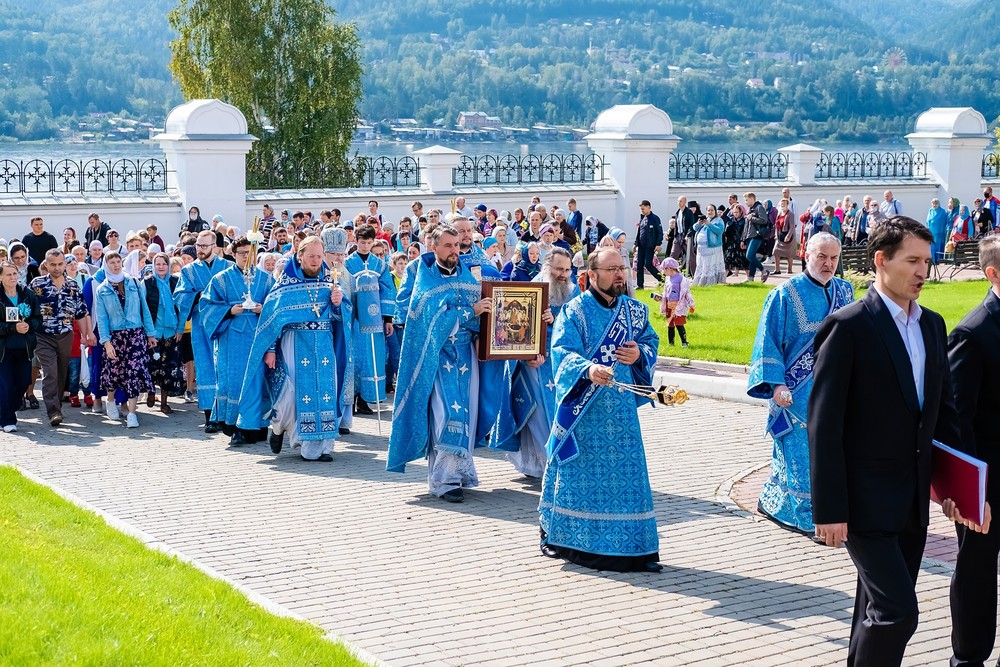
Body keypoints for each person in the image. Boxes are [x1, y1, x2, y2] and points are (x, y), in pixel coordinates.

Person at [808, 216, 972, 666]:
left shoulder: (933, 326)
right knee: (898, 613)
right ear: (881, 261)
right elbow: (824, 424)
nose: (923, 271)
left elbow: (943, 419)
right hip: (862, 506)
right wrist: (830, 509)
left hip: (912, 505)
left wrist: (957, 492)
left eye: (928, 260)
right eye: (913, 261)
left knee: (875, 611)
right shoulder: (850, 327)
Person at [538, 247, 661, 572]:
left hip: (622, 416)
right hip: (584, 413)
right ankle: (566, 540)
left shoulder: (635, 311)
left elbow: (650, 341)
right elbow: (561, 351)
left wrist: (641, 354)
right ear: (592, 275)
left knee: (627, 477)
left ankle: (638, 549)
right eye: (611, 269)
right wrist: (588, 369)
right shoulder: (575, 311)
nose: (619, 274)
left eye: (622, 268)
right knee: (581, 478)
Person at [747, 232, 853, 534]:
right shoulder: (784, 294)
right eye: (821, 256)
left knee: (831, 453)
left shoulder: (845, 291)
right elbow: (768, 343)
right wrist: (777, 385)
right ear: (806, 254)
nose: (828, 263)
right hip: (796, 393)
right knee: (799, 454)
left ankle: (774, 503)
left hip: (835, 391)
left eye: (834, 258)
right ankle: (808, 515)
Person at [387, 226, 494, 502]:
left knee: (465, 415)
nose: (454, 251)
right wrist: (470, 311)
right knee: (447, 415)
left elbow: (482, 317)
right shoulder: (426, 282)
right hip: (436, 357)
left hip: (465, 357)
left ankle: (458, 475)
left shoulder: (469, 279)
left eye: (457, 245)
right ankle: (443, 481)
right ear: (434, 248)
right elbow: (428, 323)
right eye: (448, 246)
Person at [238, 236, 349, 461]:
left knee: (324, 393)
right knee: (292, 396)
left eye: (319, 256)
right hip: (294, 343)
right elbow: (271, 319)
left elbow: (340, 317)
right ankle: (279, 428)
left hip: (324, 345)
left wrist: (339, 304)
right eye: (311, 256)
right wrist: (269, 349)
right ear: (300, 256)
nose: (316, 261)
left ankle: (320, 446)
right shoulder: (286, 284)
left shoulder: (331, 281)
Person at [945, 234, 1000, 667]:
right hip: (989, 487)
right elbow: (959, 420)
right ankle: (968, 659)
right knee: (977, 575)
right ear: (993, 273)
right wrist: (970, 493)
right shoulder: (972, 331)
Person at [490, 248, 578, 478]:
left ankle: (547, 465)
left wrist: (557, 319)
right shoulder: (531, 290)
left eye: (568, 269)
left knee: (559, 412)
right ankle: (548, 464)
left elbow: (581, 326)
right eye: (559, 269)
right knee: (539, 413)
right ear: (547, 267)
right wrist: (526, 356)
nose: (564, 274)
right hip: (535, 363)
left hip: (563, 362)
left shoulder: (573, 289)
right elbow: (513, 328)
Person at [201, 236, 273, 444]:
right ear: (233, 254)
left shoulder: (266, 279)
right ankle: (236, 427)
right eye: (242, 253)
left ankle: (258, 424)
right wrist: (229, 310)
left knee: (257, 381)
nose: (246, 257)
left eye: (250, 253)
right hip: (231, 338)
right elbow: (206, 306)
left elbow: (276, 305)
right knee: (233, 382)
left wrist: (263, 309)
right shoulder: (221, 279)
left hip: (258, 338)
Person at [173, 229, 233, 432]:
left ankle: (227, 415)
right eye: (198, 245)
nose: (200, 249)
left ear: (215, 247)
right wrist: (200, 296)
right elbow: (180, 296)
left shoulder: (229, 267)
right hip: (201, 326)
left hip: (225, 325)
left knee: (224, 368)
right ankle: (210, 417)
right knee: (206, 368)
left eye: (204, 246)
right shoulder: (188, 271)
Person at [30, 249, 96, 426]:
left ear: (65, 264)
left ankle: (56, 405)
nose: (57, 267)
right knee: (50, 372)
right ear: (46, 264)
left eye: (60, 264)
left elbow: (81, 313)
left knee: (60, 373)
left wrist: (86, 335)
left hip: (66, 335)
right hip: (43, 335)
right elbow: (26, 309)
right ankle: (53, 411)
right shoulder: (37, 285)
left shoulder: (73, 285)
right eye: (53, 264)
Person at [93, 251, 156, 428]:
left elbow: (145, 309)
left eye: (118, 261)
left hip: (135, 334)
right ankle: (111, 401)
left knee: (134, 372)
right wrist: (106, 342)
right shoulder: (102, 289)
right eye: (111, 262)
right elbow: (102, 318)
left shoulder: (133, 283)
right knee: (115, 372)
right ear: (106, 265)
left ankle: (132, 414)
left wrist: (150, 334)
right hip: (115, 336)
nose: (115, 265)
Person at [344, 224, 396, 414]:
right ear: (355, 241)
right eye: (362, 242)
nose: (365, 246)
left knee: (371, 357)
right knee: (354, 356)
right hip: (354, 319)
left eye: (368, 242)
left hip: (374, 322)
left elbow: (388, 290)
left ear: (373, 242)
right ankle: (351, 398)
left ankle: (366, 399)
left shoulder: (380, 265)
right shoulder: (347, 263)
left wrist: (388, 318)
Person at [0, 261, 42, 432]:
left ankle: (10, 408)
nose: (12, 277)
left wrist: (29, 326)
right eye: (8, 274)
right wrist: (12, 328)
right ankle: (7, 420)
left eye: (14, 274)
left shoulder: (27, 294)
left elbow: (38, 319)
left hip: (24, 348)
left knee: (24, 381)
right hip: (3, 350)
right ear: (0, 277)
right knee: (6, 384)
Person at [142, 253, 184, 414]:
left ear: (168, 265)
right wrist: (148, 333)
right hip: (154, 332)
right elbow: (144, 309)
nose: (161, 267)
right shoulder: (147, 283)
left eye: (164, 264)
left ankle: (165, 402)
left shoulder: (175, 282)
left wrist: (180, 329)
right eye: (158, 264)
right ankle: (151, 392)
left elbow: (182, 308)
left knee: (169, 368)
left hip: (171, 333)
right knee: (152, 366)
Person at [658, 257, 694, 347]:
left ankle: (684, 342)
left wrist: (691, 304)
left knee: (679, 324)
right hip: (669, 305)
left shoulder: (681, 279)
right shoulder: (668, 279)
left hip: (679, 305)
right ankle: (671, 343)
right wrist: (661, 297)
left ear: (669, 268)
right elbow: (666, 292)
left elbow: (686, 293)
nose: (663, 272)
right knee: (670, 325)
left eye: (664, 270)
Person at [691, 207, 726, 286]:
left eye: (712, 210)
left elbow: (719, 231)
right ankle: (700, 280)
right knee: (701, 264)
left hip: (712, 247)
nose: (710, 212)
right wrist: (699, 223)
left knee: (709, 264)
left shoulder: (719, 220)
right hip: (701, 248)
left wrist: (709, 224)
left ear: (715, 211)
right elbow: (695, 228)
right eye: (708, 210)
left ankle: (709, 281)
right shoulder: (705, 220)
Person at [634, 200, 663, 291]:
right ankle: (640, 285)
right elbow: (639, 232)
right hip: (641, 246)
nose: (642, 210)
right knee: (639, 265)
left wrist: (658, 243)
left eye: (643, 208)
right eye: (641, 209)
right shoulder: (642, 218)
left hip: (650, 246)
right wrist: (636, 243)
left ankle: (662, 280)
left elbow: (660, 232)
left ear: (649, 207)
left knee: (648, 264)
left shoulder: (655, 218)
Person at [772, 198, 797, 275]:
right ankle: (777, 270)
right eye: (781, 204)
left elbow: (792, 227)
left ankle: (789, 269)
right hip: (780, 235)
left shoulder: (790, 214)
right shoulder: (779, 214)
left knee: (789, 254)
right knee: (776, 252)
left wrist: (788, 236)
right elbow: (776, 225)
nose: (782, 205)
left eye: (784, 204)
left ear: (787, 205)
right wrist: (776, 234)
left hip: (789, 236)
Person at [925, 198, 950, 263]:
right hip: (932, 232)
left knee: (938, 246)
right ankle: (932, 260)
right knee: (932, 246)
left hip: (939, 232)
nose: (934, 205)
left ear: (938, 204)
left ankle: (939, 259)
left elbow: (945, 221)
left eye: (936, 203)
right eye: (933, 203)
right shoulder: (930, 210)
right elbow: (928, 220)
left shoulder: (942, 211)